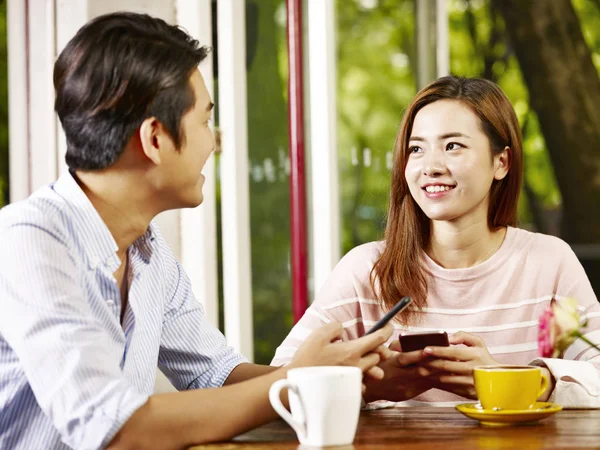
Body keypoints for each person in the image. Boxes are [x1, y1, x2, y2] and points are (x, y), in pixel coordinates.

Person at [0, 12, 394, 450]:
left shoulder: (147, 251)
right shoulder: (28, 240)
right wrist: (292, 381)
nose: (214, 142)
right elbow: (113, 429)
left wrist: (347, 376)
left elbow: (217, 376)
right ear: (154, 139)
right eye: (205, 122)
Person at [273, 76, 600, 408]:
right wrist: (372, 385)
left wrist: (509, 381)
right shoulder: (366, 270)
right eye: (416, 149)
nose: (430, 167)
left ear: (501, 162)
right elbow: (280, 381)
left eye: (452, 146)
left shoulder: (549, 261)